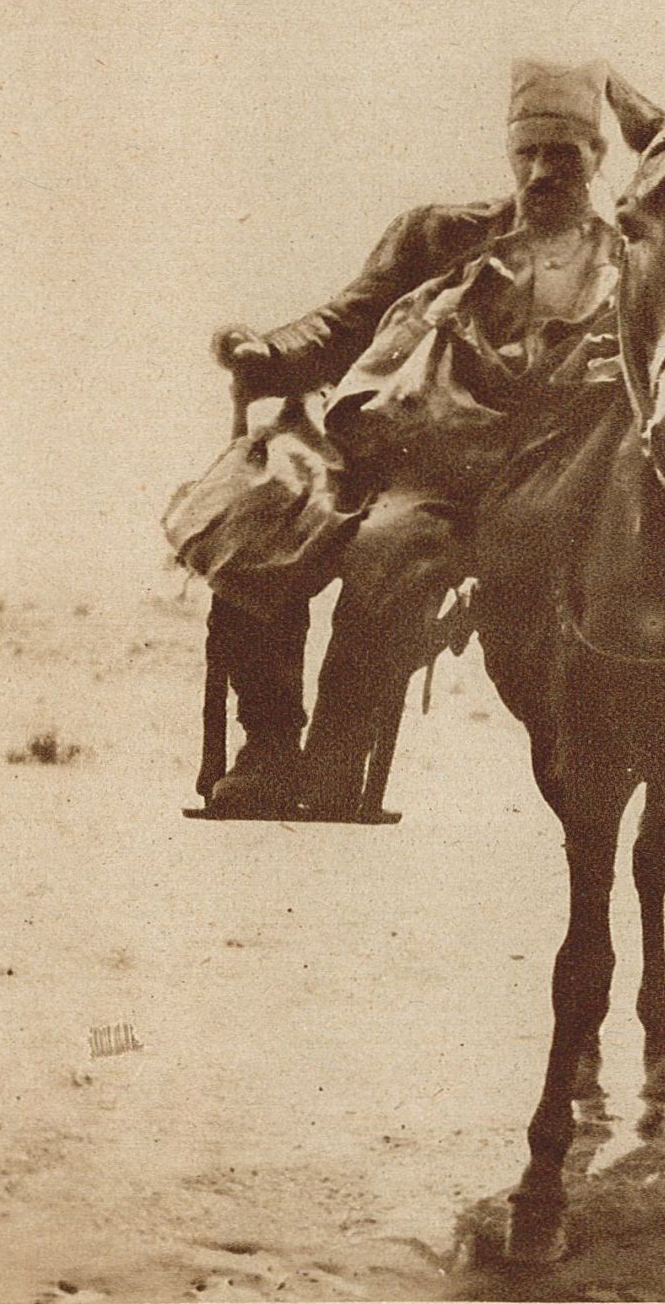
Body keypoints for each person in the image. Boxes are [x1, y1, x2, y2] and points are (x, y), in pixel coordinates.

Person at [200, 59, 619, 818]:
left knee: (382, 549)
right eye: (528, 151)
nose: (543, 169)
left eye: (564, 153)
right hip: (375, 440)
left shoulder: (623, 264)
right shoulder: (441, 234)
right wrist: (267, 352)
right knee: (254, 511)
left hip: (497, 477)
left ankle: (334, 754)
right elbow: (342, 322)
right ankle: (267, 744)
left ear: (598, 157)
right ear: (508, 152)